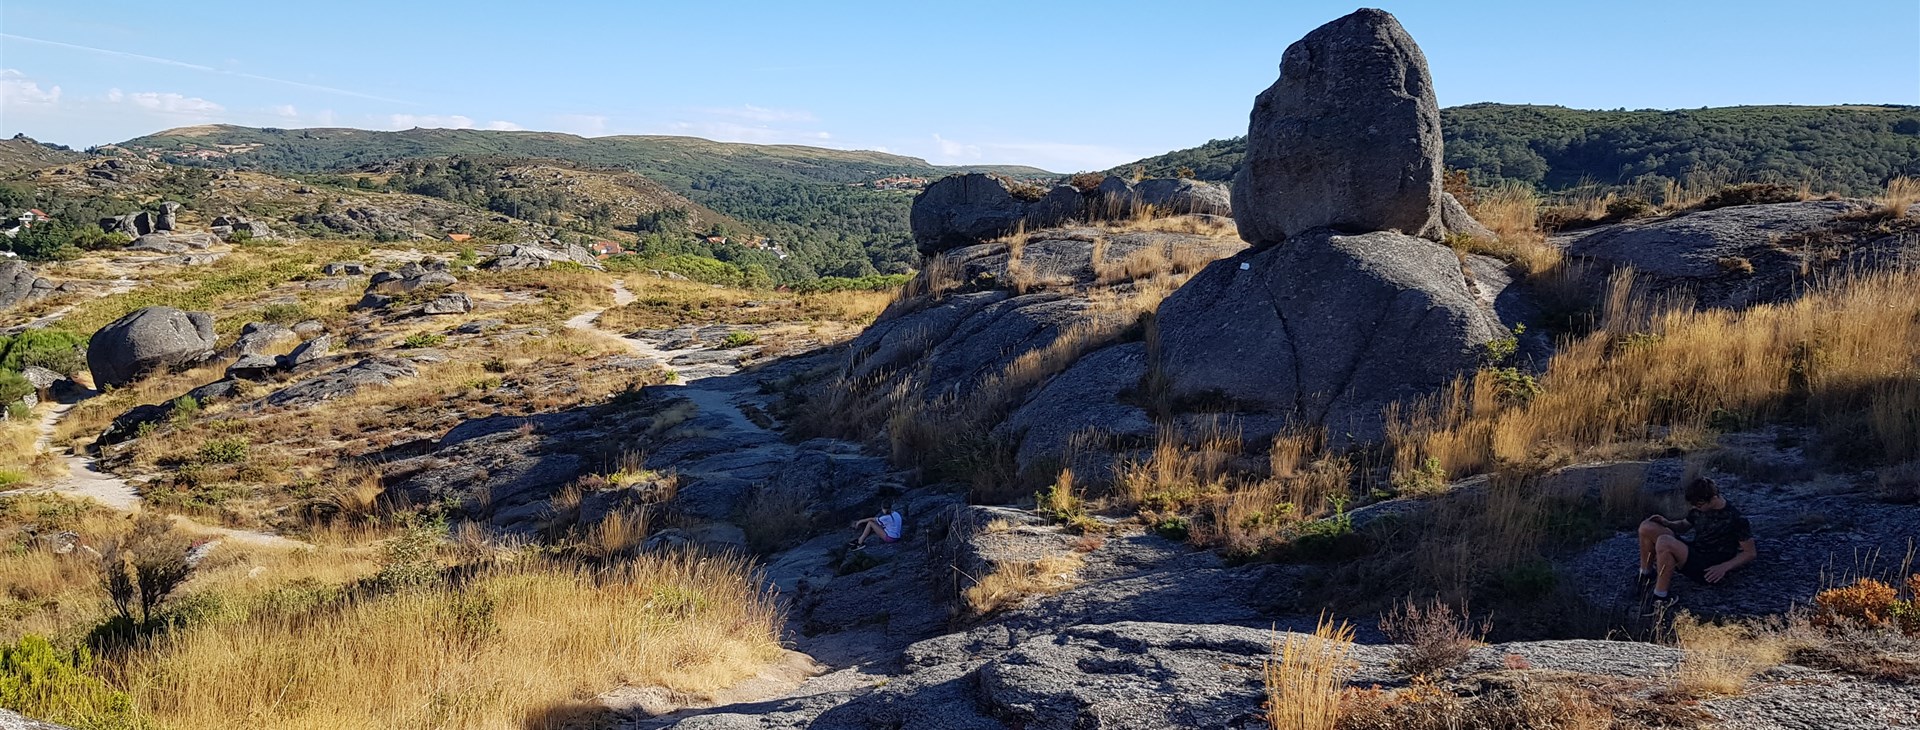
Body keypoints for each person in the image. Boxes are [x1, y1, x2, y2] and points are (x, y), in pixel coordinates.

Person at [1637, 476, 1756, 606]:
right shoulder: (1699, 508)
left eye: (1699, 505)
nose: (1695, 507)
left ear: (1714, 498)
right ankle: (1646, 574)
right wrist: (1667, 523)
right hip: (1695, 552)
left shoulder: (1736, 519)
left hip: (1709, 567)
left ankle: (1660, 597)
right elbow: (1683, 526)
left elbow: (1750, 553)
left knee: (1664, 542)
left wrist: (1724, 567)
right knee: (1646, 526)